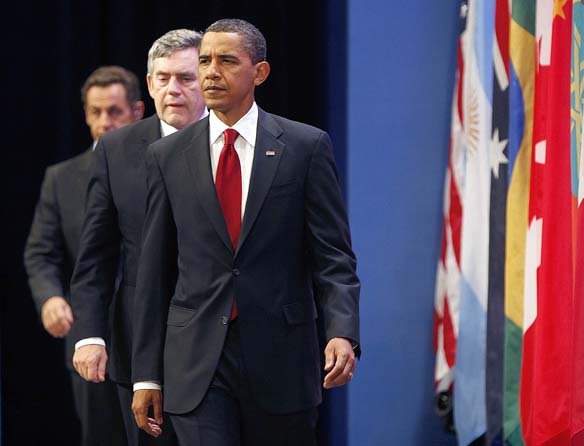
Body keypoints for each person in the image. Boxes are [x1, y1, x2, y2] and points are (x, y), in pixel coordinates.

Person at [131, 18, 360, 446]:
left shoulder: (305, 146)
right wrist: (146, 375)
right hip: (198, 362)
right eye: (204, 61)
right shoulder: (167, 155)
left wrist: (341, 331)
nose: (211, 72)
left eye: (226, 61)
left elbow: (333, 256)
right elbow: (153, 272)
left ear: (260, 72)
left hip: (282, 359)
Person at [69, 29, 206, 446]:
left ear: (207, 78)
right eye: (162, 78)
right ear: (149, 84)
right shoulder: (116, 149)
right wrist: (91, 335)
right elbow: (95, 255)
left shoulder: (237, 144)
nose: (173, 89)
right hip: (143, 347)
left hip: (223, 339)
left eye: (185, 78)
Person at [24, 65, 144, 446]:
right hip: (93, 337)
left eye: (114, 111)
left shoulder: (164, 163)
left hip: (155, 336)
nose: (103, 122)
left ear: (137, 112)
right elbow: (41, 251)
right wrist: (51, 297)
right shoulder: (62, 177)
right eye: (95, 112)